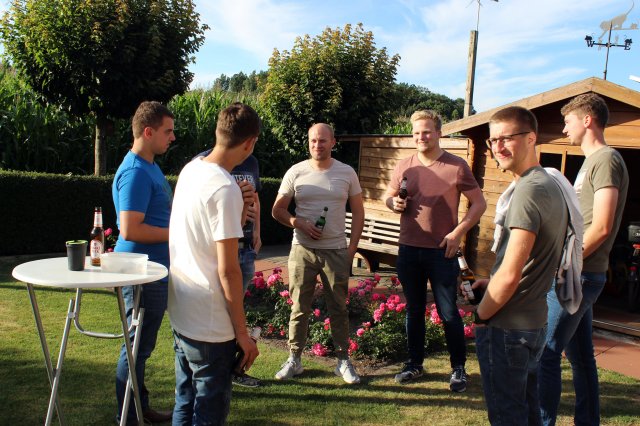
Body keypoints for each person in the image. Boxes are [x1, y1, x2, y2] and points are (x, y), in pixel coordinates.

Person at [469, 106, 569, 425]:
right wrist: (492, 281)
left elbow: (511, 275)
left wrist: (481, 315)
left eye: (507, 138)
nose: (498, 147)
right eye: (493, 140)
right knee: (528, 410)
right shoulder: (549, 184)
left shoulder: (527, 191)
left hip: (509, 327)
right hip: (533, 323)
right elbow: (532, 259)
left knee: (507, 415)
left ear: (531, 138)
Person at [167, 102, 260, 425]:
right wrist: (243, 334)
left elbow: (202, 235)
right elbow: (228, 270)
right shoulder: (224, 187)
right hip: (210, 325)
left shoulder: (191, 170)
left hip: (182, 310)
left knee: (184, 402)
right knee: (208, 414)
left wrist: (238, 208)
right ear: (249, 143)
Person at [538, 93, 629, 426]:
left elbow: (601, 226)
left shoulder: (606, 159)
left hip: (577, 274)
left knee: (545, 353)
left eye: (568, 121)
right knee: (581, 357)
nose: (564, 130)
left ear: (587, 120)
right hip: (580, 272)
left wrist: (563, 264)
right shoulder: (592, 162)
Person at [383, 110, 486, 391]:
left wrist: (458, 233)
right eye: (416, 132)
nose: (421, 137)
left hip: (442, 252)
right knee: (414, 310)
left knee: (449, 312)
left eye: (426, 131)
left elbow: (479, 204)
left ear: (439, 133)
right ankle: (414, 364)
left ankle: (458, 368)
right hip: (408, 249)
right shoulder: (405, 166)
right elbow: (388, 197)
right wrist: (393, 204)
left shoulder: (456, 165)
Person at [272, 123, 365, 384]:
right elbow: (277, 210)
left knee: (338, 308)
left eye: (323, 140)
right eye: (313, 140)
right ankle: (294, 359)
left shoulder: (346, 172)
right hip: (302, 249)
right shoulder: (296, 171)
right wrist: (297, 222)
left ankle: (343, 361)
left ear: (333, 142)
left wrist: (352, 248)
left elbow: (359, 211)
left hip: (335, 250)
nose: (317, 145)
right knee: (299, 307)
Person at [112, 101, 175, 425]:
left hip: (152, 271)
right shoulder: (136, 171)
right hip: (142, 273)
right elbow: (130, 229)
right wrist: (178, 232)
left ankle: (139, 407)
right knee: (136, 346)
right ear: (148, 132)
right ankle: (128, 416)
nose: (172, 137)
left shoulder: (149, 165)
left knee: (141, 346)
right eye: (168, 131)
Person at [193, 150, 263, 388]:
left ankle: (234, 370)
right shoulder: (205, 163)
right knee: (222, 314)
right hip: (223, 250)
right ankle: (219, 372)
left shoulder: (252, 162)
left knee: (236, 311)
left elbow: (256, 199)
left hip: (246, 248)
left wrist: (257, 231)